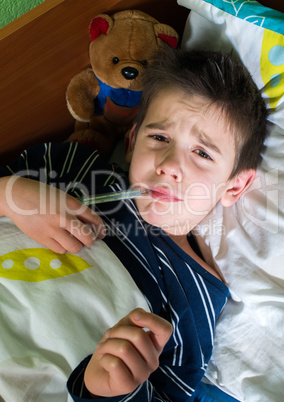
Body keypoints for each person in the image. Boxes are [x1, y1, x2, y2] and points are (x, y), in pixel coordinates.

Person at [0, 47, 268, 401]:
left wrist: (105, 389)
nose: (170, 165)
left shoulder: (195, 297)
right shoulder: (75, 168)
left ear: (234, 186)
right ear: (131, 141)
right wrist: (7, 194)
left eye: (202, 153)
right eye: (159, 138)